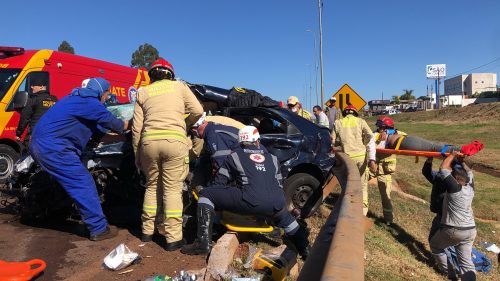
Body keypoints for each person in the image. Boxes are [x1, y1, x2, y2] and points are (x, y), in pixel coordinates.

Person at [181, 126, 310, 259]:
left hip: (251, 201)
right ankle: (306, 249)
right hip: (277, 202)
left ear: (241, 142)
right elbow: (277, 184)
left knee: (206, 194)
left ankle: (202, 243)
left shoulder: (234, 156)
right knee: (287, 220)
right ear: (257, 142)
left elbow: (219, 184)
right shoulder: (273, 158)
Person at [29, 77, 128, 241]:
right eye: (107, 94)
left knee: (65, 181)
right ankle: (99, 228)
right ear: (101, 92)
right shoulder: (90, 103)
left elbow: (100, 134)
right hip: (54, 148)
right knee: (83, 182)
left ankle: (55, 211)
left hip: (41, 145)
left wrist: (122, 139)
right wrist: (133, 124)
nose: (107, 97)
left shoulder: (75, 100)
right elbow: (117, 125)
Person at [132, 58, 203, 250]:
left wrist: (137, 154)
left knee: (152, 186)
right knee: (172, 189)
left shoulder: (143, 92)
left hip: (148, 143)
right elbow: (198, 110)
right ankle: (173, 239)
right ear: (170, 74)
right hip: (174, 142)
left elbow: (136, 128)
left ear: (151, 75)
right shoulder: (179, 87)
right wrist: (183, 124)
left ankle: (147, 231)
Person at [429, 152, 476, 281]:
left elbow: (443, 168)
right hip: (470, 230)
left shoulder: (454, 188)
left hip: (454, 229)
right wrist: (461, 161)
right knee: (466, 261)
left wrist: (453, 155)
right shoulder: (470, 187)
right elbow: (470, 171)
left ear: (455, 180)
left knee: (436, 246)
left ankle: (449, 273)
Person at [331, 105, 376, 216]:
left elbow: (332, 140)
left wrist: (340, 143)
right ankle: (362, 212)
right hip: (361, 157)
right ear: (355, 113)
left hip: (347, 158)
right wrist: (363, 143)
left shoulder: (338, 122)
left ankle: (349, 207)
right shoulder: (361, 121)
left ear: (345, 113)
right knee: (362, 185)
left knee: (349, 183)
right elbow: (370, 135)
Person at [369, 116, 406, 225]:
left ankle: (388, 220)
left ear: (387, 128)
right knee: (359, 183)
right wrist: (379, 139)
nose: (378, 129)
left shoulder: (396, 135)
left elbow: (404, 138)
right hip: (373, 166)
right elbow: (370, 145)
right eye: (378, 127)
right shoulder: (374, 135)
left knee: (385, 195)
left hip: (385, 170)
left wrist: (393, 133)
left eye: (381, 127)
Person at [16, 75, 58, 142]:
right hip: (52, 136)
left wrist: (18, 133)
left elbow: (24, 117)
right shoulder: (55, 100)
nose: (31, 87)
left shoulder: (33, 99)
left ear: (41, 86)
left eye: (34, 85)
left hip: (37, 135)